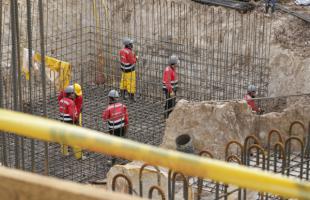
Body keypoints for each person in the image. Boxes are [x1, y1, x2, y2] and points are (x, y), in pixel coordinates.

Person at [58, 85, 85, 160]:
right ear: (70, 94)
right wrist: (76, 120)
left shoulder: (62, 100)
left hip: (62, 121)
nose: (74, 95)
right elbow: (72, 114)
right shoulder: (71, 102)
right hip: (70, 121)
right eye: (73, 93)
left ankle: (64, 153)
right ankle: (79, 156)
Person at [102, 90, 129, 165]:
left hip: (113, 130)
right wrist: (126, 129)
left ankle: (113, 162)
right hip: (122, 128)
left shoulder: (109, 108)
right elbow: (126, 119)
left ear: (110, 99)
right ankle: (123, 159)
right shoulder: (123, 106)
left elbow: (104, 118)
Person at [119, 37, 137, 102]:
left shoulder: (121, 50)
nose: (132, 45)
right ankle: (131, 98)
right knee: (131, 83)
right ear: (129, 45)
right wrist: (135, 57)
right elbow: (132, 61)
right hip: (130, 70)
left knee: (123, 81)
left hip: (123, 69)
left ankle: (122, 95)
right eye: (131, 44)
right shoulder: (129, 52)